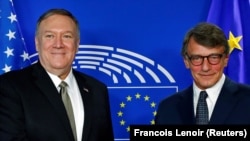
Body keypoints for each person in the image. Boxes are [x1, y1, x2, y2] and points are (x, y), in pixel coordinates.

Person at [0, 8, 114, 141]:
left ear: (77, 44)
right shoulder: (10, 86)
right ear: (37, 43)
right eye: (50, 36)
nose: (58, 44)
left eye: (67, 36)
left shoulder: (97, 89)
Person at [155, 22, 250, 125]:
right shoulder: (167, 109)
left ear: (225, 59)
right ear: (186, 61)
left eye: (214, 58)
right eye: (197, 58)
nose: (205, 67)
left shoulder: (247, 100)